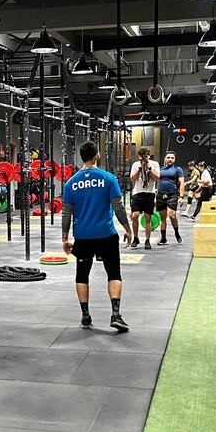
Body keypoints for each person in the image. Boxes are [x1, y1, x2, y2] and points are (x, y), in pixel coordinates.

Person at [62, 140, 133, 331]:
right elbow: (118, 207)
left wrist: (64, 239)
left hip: (83, 237)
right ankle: (115, 314)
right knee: (114, 273)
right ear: (97, 156)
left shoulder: (71, 183)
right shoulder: (108, 178)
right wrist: (128, 229)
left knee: (82, 275)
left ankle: (85, 316)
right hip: (106, 235)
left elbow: (67, 213)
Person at [128, 147, 160, 249]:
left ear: (149, 156)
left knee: (147, 217)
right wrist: (140, 168)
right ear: (139, 156)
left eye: (146, 156)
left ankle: (147, 240)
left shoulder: (154, 164)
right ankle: (136, 238)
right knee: (135, 215)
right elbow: (133, 179)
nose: (144, 158)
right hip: (137, 193)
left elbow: (157, 178)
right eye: (142, 156)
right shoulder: (135, 165)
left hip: (149, 193)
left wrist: (149, 169)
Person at [155, 151, 185, 244]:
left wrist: (181, 197)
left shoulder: (178, 169)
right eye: (168, 157)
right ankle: (163, 238)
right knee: (162, 217)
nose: (170, 159)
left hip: (172, 194)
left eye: (172, 158)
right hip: (161, 194)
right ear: (165, 159)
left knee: (172, 215)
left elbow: (182, 183)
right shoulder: (160, 169)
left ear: (174, 160)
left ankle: (176, 233)